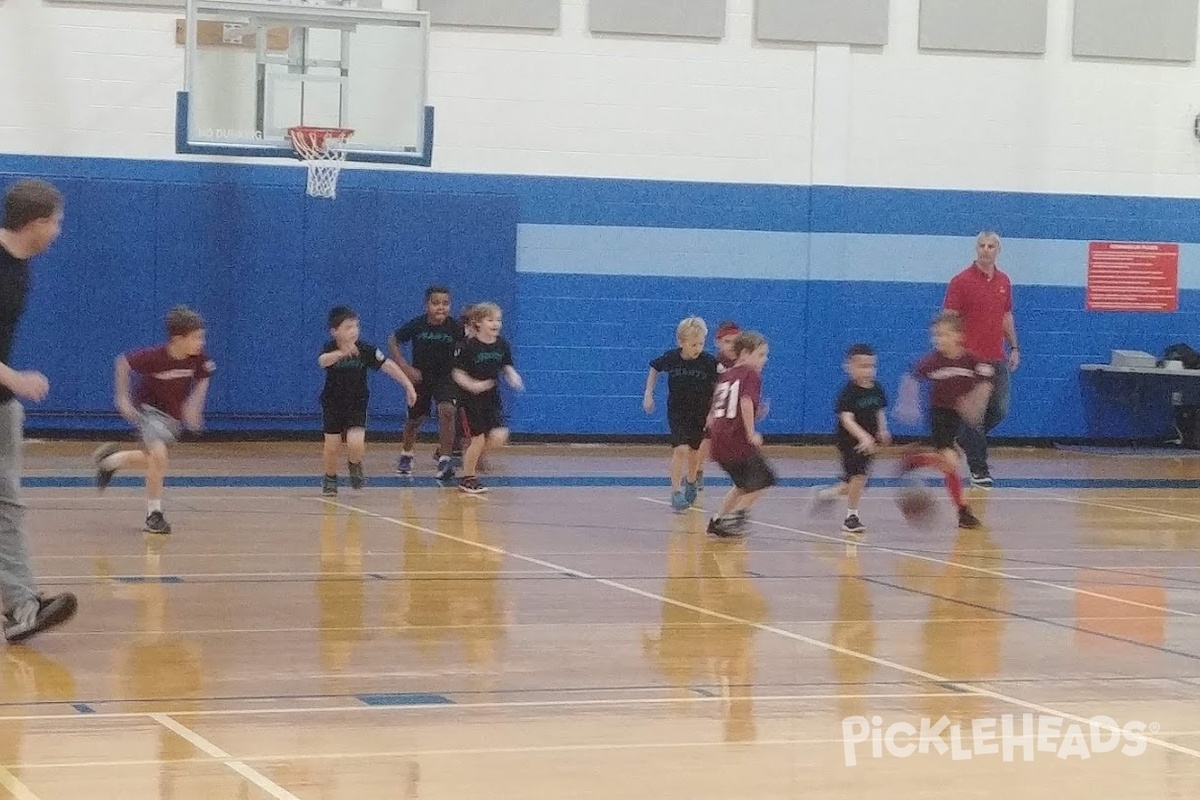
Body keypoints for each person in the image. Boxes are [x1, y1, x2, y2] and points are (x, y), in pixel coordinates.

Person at [0, 178, 77, 642]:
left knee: (8, 505)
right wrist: (16, 378)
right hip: (6, 392)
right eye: (57, 222)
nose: (59, 232)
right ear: (36, 222)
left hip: (2, 407)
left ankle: (22, 605)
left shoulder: (21, 267)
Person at [94, 306, 215, 535]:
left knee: (153, 460)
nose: (202, 342)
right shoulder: (155, 357)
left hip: (172, 418)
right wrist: (121, 397)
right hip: (149, 412)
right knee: (159, 456)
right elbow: (122, 363)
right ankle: (154, 515)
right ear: (178, 339)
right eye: (197, 337)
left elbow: (204, 377)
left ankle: (110, 461)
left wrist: (194, 405)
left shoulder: (198, 359)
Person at [895, 311, 992, 529]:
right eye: (935, 336)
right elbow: (910, 378)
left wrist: (974, 405)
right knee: (950, 461)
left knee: (951, 467)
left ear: (959, 336)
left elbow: (986, 383)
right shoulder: (933, 362)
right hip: (940, 414)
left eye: (943, 335)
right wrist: (907, 404)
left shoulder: (971, 360)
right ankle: (918, 462)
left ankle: (962, 511)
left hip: (960, 416)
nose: (938, 340)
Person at [943, 231, 1019, 487]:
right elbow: (949, 317)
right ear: (976, 248)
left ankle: (964, 438)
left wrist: (1015, 346)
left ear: (998, 250)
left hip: (996, 357)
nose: (986, 250)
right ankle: (979, 469)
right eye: (982, 245)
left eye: (991, 246)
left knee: (999, 410)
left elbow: (1006, 316)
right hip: (970, 361)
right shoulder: (960, 281)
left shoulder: (1004, 281)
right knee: (974, 415)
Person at [318, 306, 417, 497]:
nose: (354, 330)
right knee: (331, 446)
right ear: (334, 331)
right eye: (348, 327)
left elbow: (387, 365)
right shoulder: (330, 348)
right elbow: (323, 361)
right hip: (333, 403)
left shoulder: (365, 350)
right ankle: (330, 477)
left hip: (357, 403)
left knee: (355, 444)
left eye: (356, 326)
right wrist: (340, 354)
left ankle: (354, 464)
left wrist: (408, 386)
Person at [643, 317, 719, 511]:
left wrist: (713, 411)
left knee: (694, 450)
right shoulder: (672, 358)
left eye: (701, 343)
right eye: (693, 344)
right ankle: (676, 491)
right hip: (677, 412)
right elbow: (654, 368)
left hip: (699, 413)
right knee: (681, 449)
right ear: (681, 342)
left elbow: (720, 386)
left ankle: (691, 481)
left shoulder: (709, 362)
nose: (698, 348)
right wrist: (648, 393)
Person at [705, 331, 776, 537]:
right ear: (744, 353)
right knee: (765, 479)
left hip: (719, 441)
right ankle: (734, 520)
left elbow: (715, 413)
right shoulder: (750, 374)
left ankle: (717, 520)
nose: (765, 360)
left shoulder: (726, 376)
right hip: (736, 441)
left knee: (741, 485)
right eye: (761, 354)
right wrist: (752, 431)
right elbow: (745, 402)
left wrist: (754, 412)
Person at [814, 343, 890, 533]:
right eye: (863, 366)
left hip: (870, 442)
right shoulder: (848, 392)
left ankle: (827, 494)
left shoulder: (877, 388)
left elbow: (879, 410)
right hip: (849, 442)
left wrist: (882, 429)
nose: (868, 370)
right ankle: (851, 517)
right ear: (849, 367)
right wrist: (862, 436)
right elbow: (846, 419)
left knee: (855, 482)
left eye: (872, 366)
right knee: (859, 477)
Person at [391, 286, 465, 481]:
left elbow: (465, 346)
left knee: (447, 411)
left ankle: (445, 460)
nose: (441, 307)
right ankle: (406, 454)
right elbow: (393, 340)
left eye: (445, 303)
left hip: (446, 378)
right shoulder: (417, 325)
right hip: (421, 378)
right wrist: (405, 367)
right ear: (427, 305)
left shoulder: (455, 327)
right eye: (436, 303)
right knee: (415, 420)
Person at [452, 303, 523, 494]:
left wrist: (512, 376)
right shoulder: (468, 346)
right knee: (477, 439)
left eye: (498, 320)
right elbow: (458, 374)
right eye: (490, 319)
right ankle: (468, 477)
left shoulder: (502, 344)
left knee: (499, 435)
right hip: (470, 401)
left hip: (492, 398)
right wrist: (473, 385)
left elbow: (506, 365)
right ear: (477, 323)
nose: (496, 323)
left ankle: (473, 458)